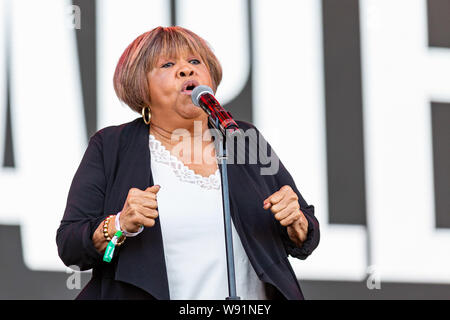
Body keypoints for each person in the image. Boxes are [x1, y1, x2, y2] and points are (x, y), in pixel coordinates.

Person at [56, 26, 320, 300]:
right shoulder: (112, 146)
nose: (186, 70)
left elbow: (305, 233)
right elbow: (70, 246)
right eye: (167, 64)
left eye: (195, 62)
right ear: (140, 87)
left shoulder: (243, 138)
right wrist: (119, 224)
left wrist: (296, 221)